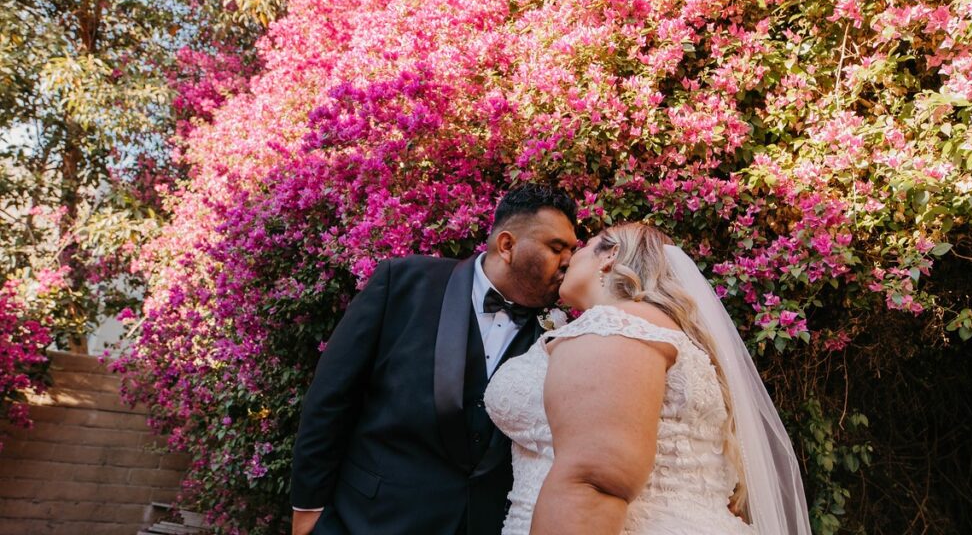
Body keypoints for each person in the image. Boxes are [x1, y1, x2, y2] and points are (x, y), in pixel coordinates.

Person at [484, 222, 812, 535]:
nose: (569, 257)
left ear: (610, 255)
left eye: (584, 246)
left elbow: (594, 479)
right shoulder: (656, 331)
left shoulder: (614, 327)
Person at [289, 183, 579, 535]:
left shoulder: (555, 336)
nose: (568, 261)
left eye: (572, 251)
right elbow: (330, 398)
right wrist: (307, 507)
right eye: (556, 247)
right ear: (507, 245)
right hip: (367, 520)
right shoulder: (403, 283)